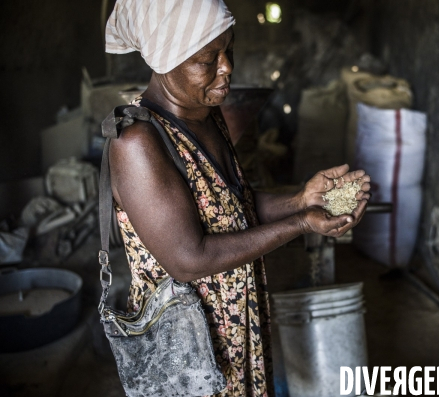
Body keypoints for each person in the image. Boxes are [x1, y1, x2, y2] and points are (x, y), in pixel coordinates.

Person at [105, 1, 371, 396]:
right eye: (207, 59)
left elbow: (235, 210)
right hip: (190, 345)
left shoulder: (207, 116)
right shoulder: (138, 142)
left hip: (238, 324)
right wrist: (301, 224)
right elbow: (188, 258)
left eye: (228, 49)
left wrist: (302, 200)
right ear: (165, 61)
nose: (227, 66)